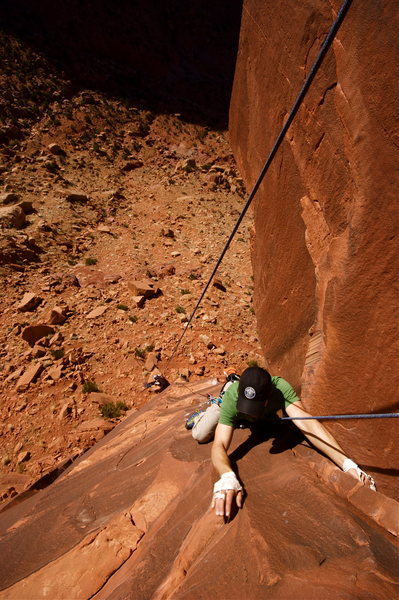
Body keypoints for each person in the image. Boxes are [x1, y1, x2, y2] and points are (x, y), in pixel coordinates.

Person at [189, 366, 376, 519]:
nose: (251, 410)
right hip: (229, 403)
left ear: (269, 395)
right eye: (248, 405)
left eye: (255, 405)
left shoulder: (280, 389)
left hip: (257, 414)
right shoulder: (233, 398)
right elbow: (219, 444)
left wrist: (348, 465)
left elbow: (308, 425)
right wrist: (227, 476)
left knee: (262, 422)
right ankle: (206, 412)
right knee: (200, 434)